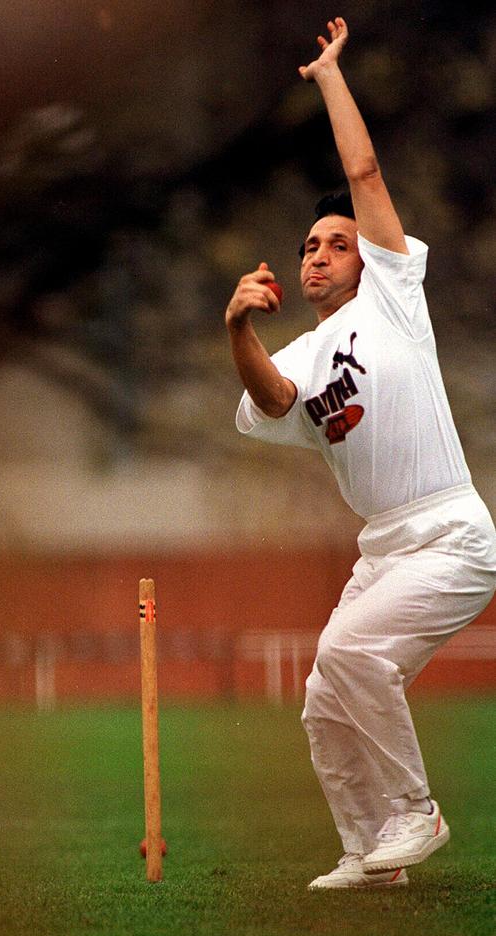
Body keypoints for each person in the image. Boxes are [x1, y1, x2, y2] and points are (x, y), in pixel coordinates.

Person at [226, 17, 496, 891]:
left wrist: (331, 76)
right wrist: (238, 330)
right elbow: (271, 398)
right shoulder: (301, 359)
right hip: (382, 550)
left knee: (350, 658)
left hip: (451, 535)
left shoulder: (394, 296)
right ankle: (368, 858)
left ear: (366, 260)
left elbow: (366, 173)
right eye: (309, 246)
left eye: (335, 244)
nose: (318, 255)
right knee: (323, 698)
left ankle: (415, 813)